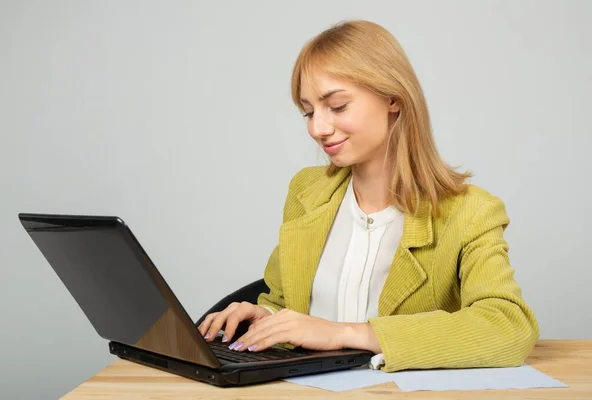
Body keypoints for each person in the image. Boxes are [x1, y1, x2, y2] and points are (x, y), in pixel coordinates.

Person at [198, 19, 539, 372]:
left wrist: (344, 334)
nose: (317, 128)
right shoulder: (306, 193)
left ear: (392, 97)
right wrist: (265, 314)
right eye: (309, 111)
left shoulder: (471, 212)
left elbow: (509, 327)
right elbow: (285, 300)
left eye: (338, 106)